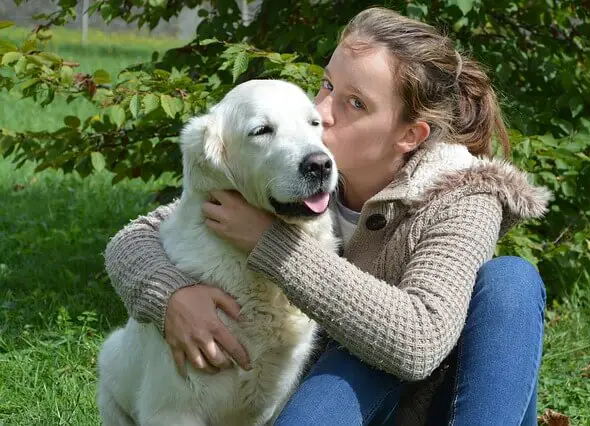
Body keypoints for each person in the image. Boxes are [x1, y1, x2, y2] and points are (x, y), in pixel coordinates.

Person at [104, 7, 551, 425]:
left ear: (409, 136)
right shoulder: (294, 177)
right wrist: (172, 297)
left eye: (355, 104)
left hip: (426, 403)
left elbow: (417, 343)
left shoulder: (462, 196)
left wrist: (271, 244)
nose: (321, 112)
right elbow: (136, 237)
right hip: (339, 388)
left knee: (511, 279)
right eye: (327, 85)